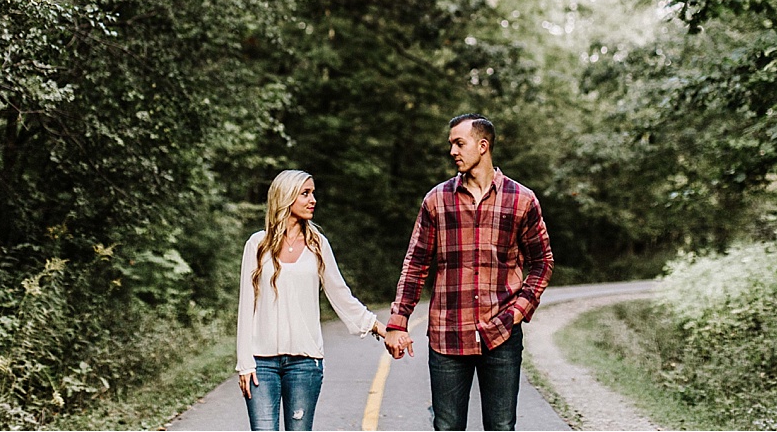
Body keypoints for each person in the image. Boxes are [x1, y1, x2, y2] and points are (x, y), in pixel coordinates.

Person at [383, 114, 554, 431]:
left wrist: (519, 311)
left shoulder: (521, 200)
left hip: (501, 333)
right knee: (447, 426)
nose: (452, 151)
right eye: (451, 144)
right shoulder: (437, 200)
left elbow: (543, 262)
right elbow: (416, 263)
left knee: (501, 427)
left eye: (459, 143)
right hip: (448, 334)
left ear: (483, 145)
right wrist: (398, 321)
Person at [236, 169, 386, 431]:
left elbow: (340, 294)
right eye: (305, 193)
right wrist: (244, 363)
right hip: (261, 364)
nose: (312, 200)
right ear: (286, 197)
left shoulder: (318, 244)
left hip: (305, 364)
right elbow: (246, 306)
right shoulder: (257, 245)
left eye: (313, 193)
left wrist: (379, 327)